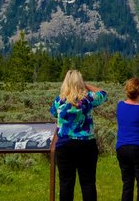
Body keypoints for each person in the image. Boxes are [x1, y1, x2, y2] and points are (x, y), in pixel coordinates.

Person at [50, 70, 107, 201]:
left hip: (65, 144)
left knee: (66, 183)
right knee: (88, 183)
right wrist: (85, 85)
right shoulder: (88, 99)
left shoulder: (59, 100)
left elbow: (53, 113)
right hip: (86, 144)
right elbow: (103, 93)